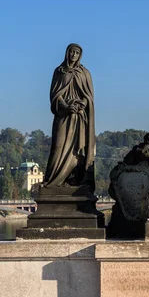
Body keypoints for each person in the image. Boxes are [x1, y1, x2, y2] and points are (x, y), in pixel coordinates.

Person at [44, 43, 95, 188]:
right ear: (67, 53)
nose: (73, 55)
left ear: (80, 55)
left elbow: (89, 96)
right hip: (63, 116)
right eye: (71, 52)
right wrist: (66, 107)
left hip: (80, 118)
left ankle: (75, 180)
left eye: (77, 53)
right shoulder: (59, 71)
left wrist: (83, 104)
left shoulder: (84, 72)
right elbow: (55, 95)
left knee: (79, 151)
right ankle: (53, 181)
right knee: (58, 147)